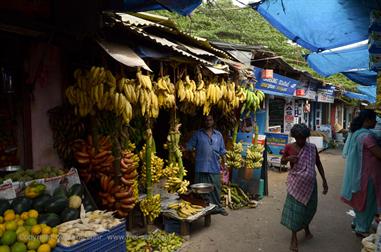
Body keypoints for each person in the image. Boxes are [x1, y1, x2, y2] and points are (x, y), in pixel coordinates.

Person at [280, 124, 328, 252]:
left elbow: (318, 163)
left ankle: (306, 229)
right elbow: (282, 161)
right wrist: (288, 158)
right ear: (295, 137)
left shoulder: (312, 148)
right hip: (296, 185)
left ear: (307, 137)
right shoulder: (289, 147)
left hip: (311, 184)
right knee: (296, 212)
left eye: (303, 138)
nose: (301, 141)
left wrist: (324, 180)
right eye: (299, 138)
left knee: (310, 208)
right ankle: (294, 238)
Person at [341, 109, 381, 237]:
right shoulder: (367, 137)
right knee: (367, 203)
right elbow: (379, 154)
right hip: (368, 175)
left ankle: (357, 222)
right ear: (367, 120)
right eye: (374, 119)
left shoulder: (358, 133)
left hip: (360, 174)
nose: (376, 122)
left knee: (360, 200)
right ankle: (362, 228)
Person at [186, 114, 228, 216]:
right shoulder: (198, 134)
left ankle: (217, 207)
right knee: (199, 190)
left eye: (210, 120)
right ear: (204, 122)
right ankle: (201, 209)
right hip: (201, 167)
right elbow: (189, 146)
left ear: (213, 121)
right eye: (206, 120)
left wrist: (225, 163)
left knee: (216, 188)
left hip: (214, 166)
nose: (208, 122)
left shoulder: (218, 135)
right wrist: (188, 151)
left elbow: (223, 151)